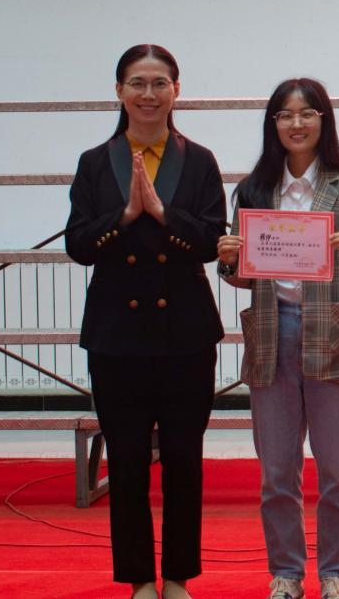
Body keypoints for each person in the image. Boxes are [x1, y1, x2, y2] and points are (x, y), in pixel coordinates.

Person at [66, 44, 226, 599]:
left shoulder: (199, 160)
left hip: (185, 334)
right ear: (119, 91)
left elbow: (212, 241)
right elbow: (77, 245)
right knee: (128, 461)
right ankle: (138, 579)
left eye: (160, 83)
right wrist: (125, 216)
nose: (149, 94)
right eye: (137, 83)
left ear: (176, 91)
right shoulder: (95, 162)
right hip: (116, 336)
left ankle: (178, 576)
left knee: (184, 459)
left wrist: (161, 213)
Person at [217, 78, 339, 599]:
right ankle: (286, 573)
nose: (296, 124)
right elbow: (244, 276)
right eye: (285, 115)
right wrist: (229, 262)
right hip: (273, 333)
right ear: (273, 124)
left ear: (323, 120)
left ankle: (335, 574)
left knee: (338, 470)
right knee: (276, 471)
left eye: (307, 113)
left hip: (335, 334)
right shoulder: (253, 188)